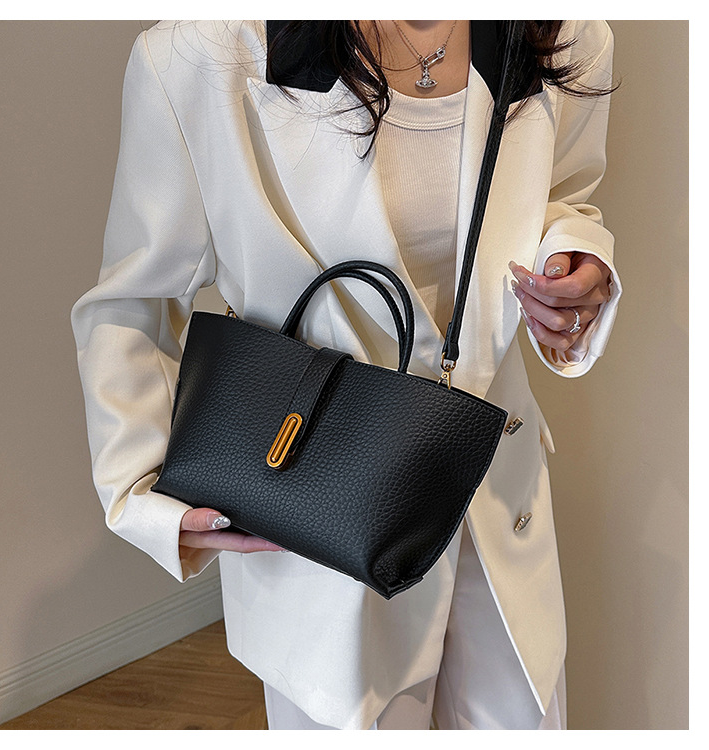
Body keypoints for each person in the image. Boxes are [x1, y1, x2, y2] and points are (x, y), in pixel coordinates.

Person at [71, 20, 621, 730]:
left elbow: (563, 197)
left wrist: (572, 262)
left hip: (494, 500)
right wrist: (143, 493)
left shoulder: (561, 32)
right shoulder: (201, 56)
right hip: (319, 524)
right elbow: (134, 300)